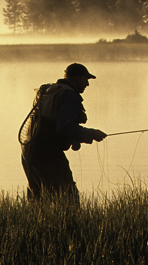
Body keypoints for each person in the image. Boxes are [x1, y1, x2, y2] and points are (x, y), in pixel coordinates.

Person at [19, 63, 107, 201]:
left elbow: (51, 122)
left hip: (28, 148)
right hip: (46, 152)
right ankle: (69, 222)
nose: (87, 84)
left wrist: (73, 139)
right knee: (67, 195)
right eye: (86, 79)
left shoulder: (50, 90)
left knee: (38, 196)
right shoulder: (69, 95)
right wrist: (91, 134)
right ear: (76, 78)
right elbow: (65, 126)